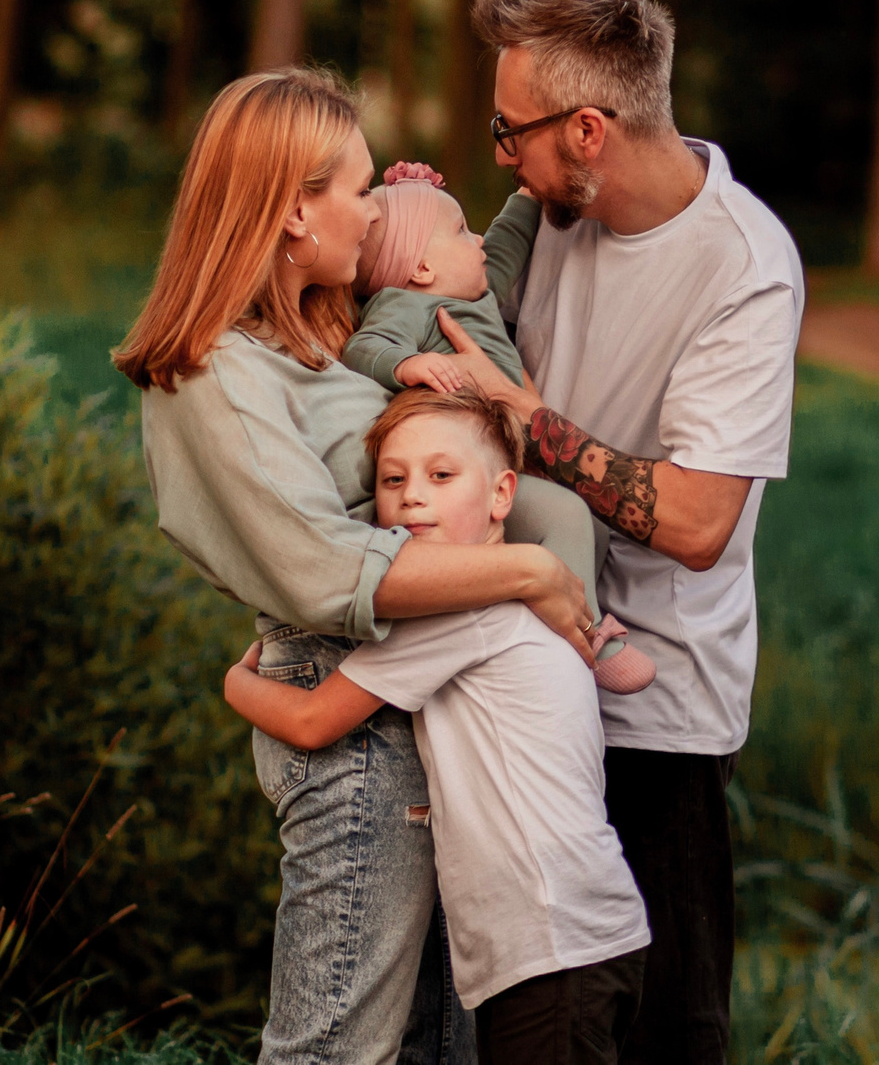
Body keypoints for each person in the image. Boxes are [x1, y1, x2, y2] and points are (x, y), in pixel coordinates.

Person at [113, 66, 599, 1065]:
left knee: (432, 1049)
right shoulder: (210, 372)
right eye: (357, 186)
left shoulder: (309, 340)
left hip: (424, 705)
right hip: (350, 712)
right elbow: (325, 569)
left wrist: (415, 214)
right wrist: (530, 577)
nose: (374, 208)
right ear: (294, 210)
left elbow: (430, 287)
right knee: (336, 1051)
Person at [429, 0, 805, 1065]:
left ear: (587, 129)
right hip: (515, 664)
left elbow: (694, 523)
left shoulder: (742, 266)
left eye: (512, 133)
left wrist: (527, 421)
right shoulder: (543, 215)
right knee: (528, 1025)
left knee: (669, 1030)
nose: (503, 155)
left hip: (658, 709)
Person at [222, 387, 651, 1065]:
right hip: (580, 932)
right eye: (393, 480)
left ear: (502, 494)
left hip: (551, 940)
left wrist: (236, 683)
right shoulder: (516, 603)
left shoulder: (463, 611)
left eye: (441, 475)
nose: (412, 496)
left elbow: (311, 719)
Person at [341, 164, 654, 696]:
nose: (478, 238)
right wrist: (406, 366)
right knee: (567, 513)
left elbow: (503, 246)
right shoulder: (407, 304)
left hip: (512, 462)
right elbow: (361, 347)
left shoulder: (475, 294)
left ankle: (568, 604)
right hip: (473, 478)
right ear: (420, 268)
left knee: (592, 521)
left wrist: (530, 193)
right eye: (462, 231)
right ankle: (588, 637)